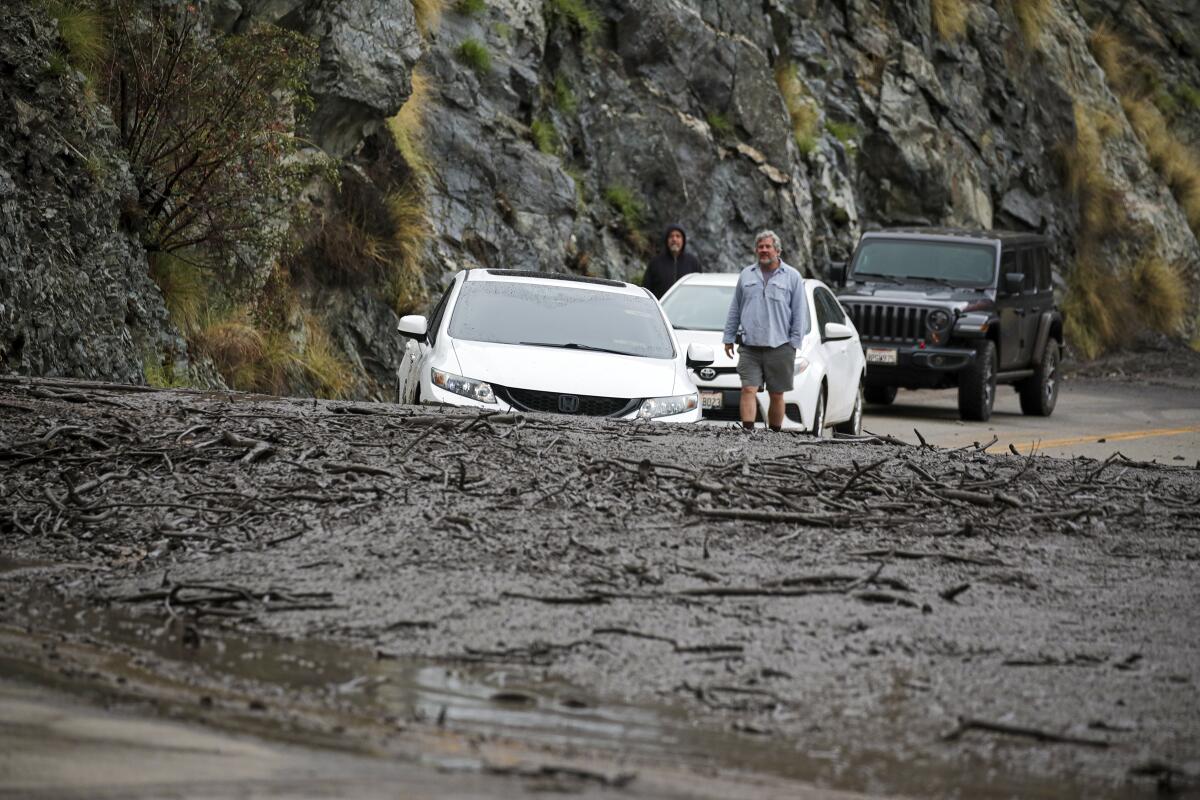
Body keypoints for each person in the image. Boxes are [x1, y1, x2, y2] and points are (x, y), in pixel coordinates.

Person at [721, 230, 808, 432]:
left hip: (780, 346)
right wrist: (728, 337)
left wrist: (794, 343)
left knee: (776, 394)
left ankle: (774, 435)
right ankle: (748, 432)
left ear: (778, 250)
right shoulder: (746, 275)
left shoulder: (792, 277)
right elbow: (735, 307)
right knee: (748, 389)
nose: (764, 250)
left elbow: (800, 313)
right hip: (749, 346)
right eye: (760, 247)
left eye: (768, 247)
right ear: (756, 250)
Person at [642, 223, 701, 298]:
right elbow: (646, 290)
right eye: (671, 236)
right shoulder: (655, 263)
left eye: (678, 236)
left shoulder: (693, 262)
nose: (674, 239)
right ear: (666, 240)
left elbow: (699, 290)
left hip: (688, 308)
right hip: (661, 308)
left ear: (683, 240)